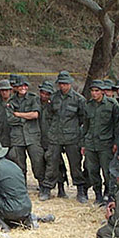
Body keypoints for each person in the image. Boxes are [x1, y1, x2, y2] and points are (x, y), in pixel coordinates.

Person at [46, 71, 87, 202]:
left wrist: (74, 130)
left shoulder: (78, 99)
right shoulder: (53, 98)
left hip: (72, 137)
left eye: (65, 84)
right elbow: (49, 115)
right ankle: (48, 188)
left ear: (70, 84)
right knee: (52, 163)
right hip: (55, 136)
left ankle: (80, 190)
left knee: (75, 164)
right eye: (61, 84)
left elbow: (83, 118)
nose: (63, 86)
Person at [82, 80, 119, 204]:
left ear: (102, 91)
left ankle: (108, 193)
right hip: (90, 143)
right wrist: (83, 144)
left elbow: (117, 125)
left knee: (107, 171)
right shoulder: (88, 105)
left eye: (97, 91)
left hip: (106, 144)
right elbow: (85, 126)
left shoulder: (111, 104)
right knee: (92, 170)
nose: (94, 93)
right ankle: (97, 194)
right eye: (92, 91)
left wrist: (116, 143)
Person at [6, 75, 45, 192]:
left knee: (38, 162)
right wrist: (26, 117)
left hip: (32, 136)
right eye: (20, 86)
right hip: (17, 137)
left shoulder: (34, 98)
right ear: (16, 87)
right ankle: (21, 186)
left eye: (25, 86)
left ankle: (42, 185)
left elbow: (35, 115)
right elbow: (10, 119)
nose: (23, 88)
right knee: (19, 164)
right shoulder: (11, 101)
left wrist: (19, 114)